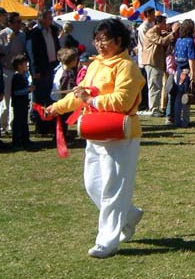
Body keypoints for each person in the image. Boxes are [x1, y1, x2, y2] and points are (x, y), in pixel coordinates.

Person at [46, 19, 145, 259]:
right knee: (93, 184)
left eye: (105, 39)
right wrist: (56, 108)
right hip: (95, 131)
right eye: (97, 39)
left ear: (119, 41)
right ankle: (129, 214)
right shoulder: (95, 65)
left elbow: (122, 101)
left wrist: (92, 101)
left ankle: (107, 241)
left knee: (112, 189)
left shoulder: (127, 67)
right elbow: (79, 94)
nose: (100, 44)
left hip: (119, 134)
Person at [27, 9, 61, 134]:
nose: (51, 20)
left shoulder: (53, 30)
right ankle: (40, 127)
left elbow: (57, 47)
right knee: (39, 98)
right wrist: (35, 71)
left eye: (51, 18)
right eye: (48, 18)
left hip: (52, 66)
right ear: (41, 19)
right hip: (40, 69)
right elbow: (32, 53)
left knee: (50, 96)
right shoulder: (34, 33)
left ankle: (50, 124)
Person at [0, 11, 27, 136]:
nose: (20, 24)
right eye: (17, 22)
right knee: (6, 100)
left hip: (19, 71)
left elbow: (24, 51)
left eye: (20, 21)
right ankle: (3, 126)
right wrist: (9, 42)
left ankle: (13, 125)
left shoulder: (22, 35)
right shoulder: (3, 34)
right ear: (10, 23)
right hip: (7, 70)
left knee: (17, 100)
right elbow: (1, 53)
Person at [142, 15, 176, 116]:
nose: (166, 25)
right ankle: (154, 110)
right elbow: (161, 41)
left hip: (157, 62)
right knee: (154, 86)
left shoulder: (159, 32)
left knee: (158, 86)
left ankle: (156, 108)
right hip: (152, 62)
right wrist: (172, 33)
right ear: (158, 23)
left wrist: (167, 34)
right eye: (164, 23)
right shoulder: (151, 32)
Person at [11, 54, 34, 149]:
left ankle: (25, 139)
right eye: (25, 64)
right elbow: (16, 92)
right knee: (18, 122)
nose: (26, 65)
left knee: (24, 121)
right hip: (18, 104)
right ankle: (17, 141)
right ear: (19, 66)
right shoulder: (17, 77)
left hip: (24, 103)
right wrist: (28, 89)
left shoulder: (23, 76)